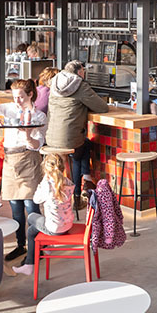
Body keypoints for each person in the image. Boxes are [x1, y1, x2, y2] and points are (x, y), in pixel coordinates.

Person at [0, 77, 48, 263]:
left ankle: (38, 246)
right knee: (15, 208)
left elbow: (37, 144)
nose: (16, 101)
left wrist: (27, 136)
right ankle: (20, 245)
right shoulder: (9, 107)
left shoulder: (39, 116)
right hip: (10, 160)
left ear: (30, 95)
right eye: (14, 96)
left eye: (20, 97)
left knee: (31, 206)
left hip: (28, 158)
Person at [46, 61, 110, 206]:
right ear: (79, 72)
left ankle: (80, 186)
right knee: (79, 152)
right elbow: (102, 107)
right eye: (83, 71)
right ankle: (75, 196)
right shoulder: (80, 85)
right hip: (68, 139)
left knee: (83, 145)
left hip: (50, 136)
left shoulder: (54, 82)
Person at [30, 152, 76, 239]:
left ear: (46, 169)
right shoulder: (68, 182)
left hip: (54, 228)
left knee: (31, 217)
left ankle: (44, 246)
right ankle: (44, 246)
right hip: (68, 225)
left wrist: (42, 183)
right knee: (33, 228)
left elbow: (36, 200)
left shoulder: (47, 185)